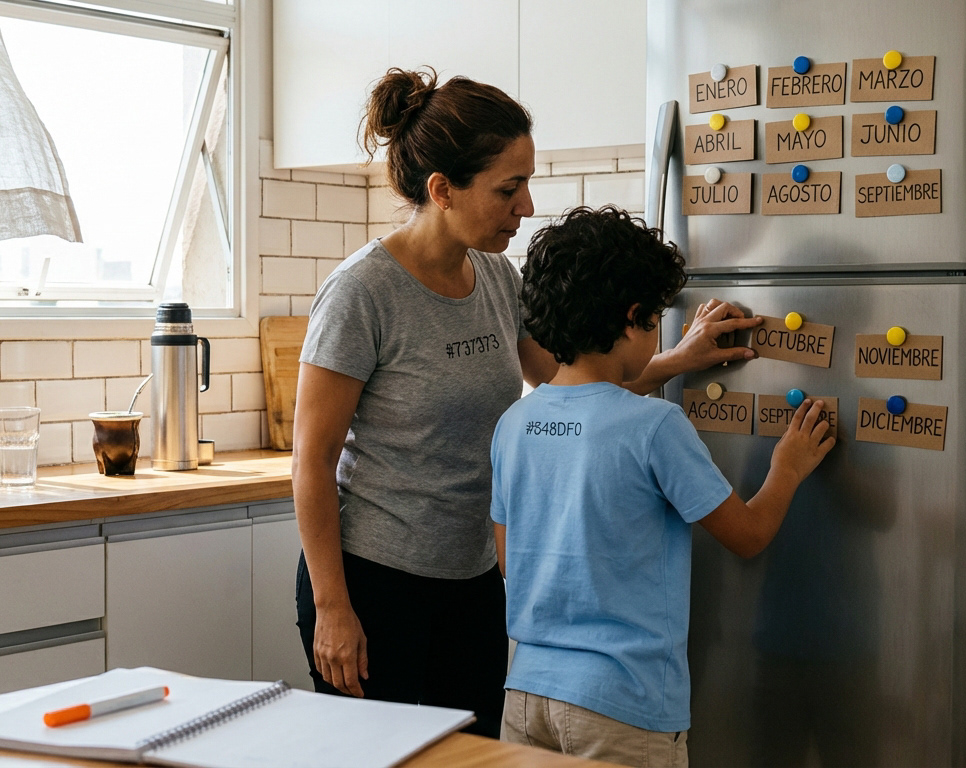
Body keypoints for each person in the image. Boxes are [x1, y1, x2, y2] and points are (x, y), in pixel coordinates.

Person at [291, 67, 760, 738]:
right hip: (374, 586)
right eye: (509, 189)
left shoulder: (494, 275)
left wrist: (678, 360)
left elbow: (577, 390)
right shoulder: (362, 293)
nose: (527, 205)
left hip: (474, 579)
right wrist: (333, 607)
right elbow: (312, 462)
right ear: (442, 191)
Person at [490, 205, 836, 766]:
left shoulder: (515, 424)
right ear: (632, 317)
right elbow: (747, 535)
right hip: (622, 702)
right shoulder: (654, 426)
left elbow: (512, 563)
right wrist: (788, 468)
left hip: (526, 694)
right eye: (654, 321)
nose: (657, 333)